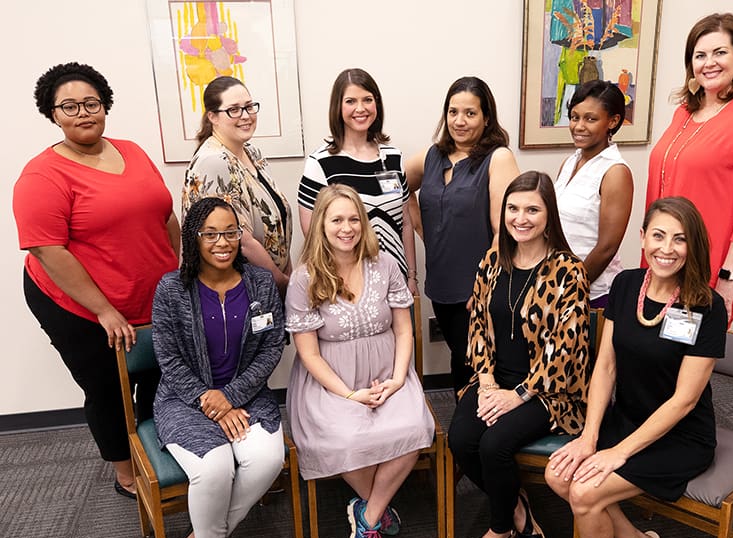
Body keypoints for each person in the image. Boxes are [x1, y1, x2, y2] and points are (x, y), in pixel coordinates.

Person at [12, 62, 180, 498]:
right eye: (69, 106)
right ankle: (127, 475)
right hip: (80, 306)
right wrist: (104, 310)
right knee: (107, 386)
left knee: (161, 374)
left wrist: (177, 271)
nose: (83, 112)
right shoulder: (41, 175)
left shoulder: (133, 150)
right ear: (52, 113)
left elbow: (163, 212)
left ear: (105, 105)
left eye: (92, 102)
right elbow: (48, 250)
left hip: (150, 296)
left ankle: (154, 446)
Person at [546, 197, 727, 538]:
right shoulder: (627, 284)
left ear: (693, 246)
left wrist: (619, 453)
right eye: (658, 235)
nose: (667, 248)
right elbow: (605, 367)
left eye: (680, 239)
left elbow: (683, 401)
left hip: (679, 435)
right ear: (643, 238)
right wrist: (590, 437)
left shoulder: (707, 306)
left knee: (585, 492)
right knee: (558, 475)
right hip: (627, 418)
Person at [448, 171, 591, 538]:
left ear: (549, 215)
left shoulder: (568, 270)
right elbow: (476, 322)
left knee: (494, 446)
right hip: (496, 380)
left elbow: (568, 349)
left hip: (549, 391)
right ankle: (518, 508)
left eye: (533, 209)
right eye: (513, 208)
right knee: (461, 439)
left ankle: (498, 529)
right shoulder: (493, 260)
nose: (521, 218)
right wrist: (489, 383)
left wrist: (518, 395)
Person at [285, 184, 435, 538]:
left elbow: (404, 329)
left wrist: (399, 379)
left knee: (414, 429)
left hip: (388, 371)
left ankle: (366, 514)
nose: (347, 227)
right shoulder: (304, 278)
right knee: (346, 440)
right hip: (330, 382)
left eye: (354, 219)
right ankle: (378, 509)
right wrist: (350, 395)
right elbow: (310, 355)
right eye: (337, 219)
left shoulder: (384, 265)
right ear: (321, 224)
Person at [152, 197, 286, 538]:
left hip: (247, 396)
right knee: (214, 467)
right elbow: (168, 357)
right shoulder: (172, 288)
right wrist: (208, 400)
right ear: (195, 238)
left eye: (230, 232)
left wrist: (230, 395)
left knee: (266, 460)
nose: (222, 242)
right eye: (210, 234)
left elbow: (272, 346)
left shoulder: (260, 283)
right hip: (184, 398)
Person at [646, 12, 733, 323]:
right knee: (653, 352)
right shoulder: (684, 112)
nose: (709, 63)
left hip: (707, 265)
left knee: (688, 356)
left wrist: (728, 276)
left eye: (720, 52)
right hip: (663, 256)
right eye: (700, 55)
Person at [406, 76, 520, 395]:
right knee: (461, 357)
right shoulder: (431, 157)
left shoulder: (498, 158)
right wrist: (421, 229)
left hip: (478, 288)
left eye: (470, 113)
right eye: (453, 112)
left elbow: (507, 231)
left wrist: (484, 288)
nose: (459, 121)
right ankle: (466, 428)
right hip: (440, 285)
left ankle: (477, 431)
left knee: (480, 364)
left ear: (486, 117)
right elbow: (395, 185)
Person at [298, 68, 418, 294]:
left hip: (396, 282)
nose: (360, 108)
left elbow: (406, 223)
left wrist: (411, 275)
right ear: (338, 107)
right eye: (351, 101)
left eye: (367, 100)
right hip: (346, 286)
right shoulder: (320, 163)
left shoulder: (392, 157)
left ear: (377, 105)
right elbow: (314, 235)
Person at [182, 76, 292, 295]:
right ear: (212, 116)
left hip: (267, 285)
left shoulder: (252, 153)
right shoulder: (213, 161)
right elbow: (241, 241)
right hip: (237, 292)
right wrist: (283, 283)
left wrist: (287, 273)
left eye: (249, 107)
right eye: (233, 110)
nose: (245, 116)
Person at [555, 80, 633, 309]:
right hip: (558, 286)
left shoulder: (615, 171)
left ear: (613, 121)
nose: (579, 126)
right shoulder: (569, 162)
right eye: (574, 117)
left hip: (593, 295)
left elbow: (607, 247)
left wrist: (572, 287)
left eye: (590, 119)